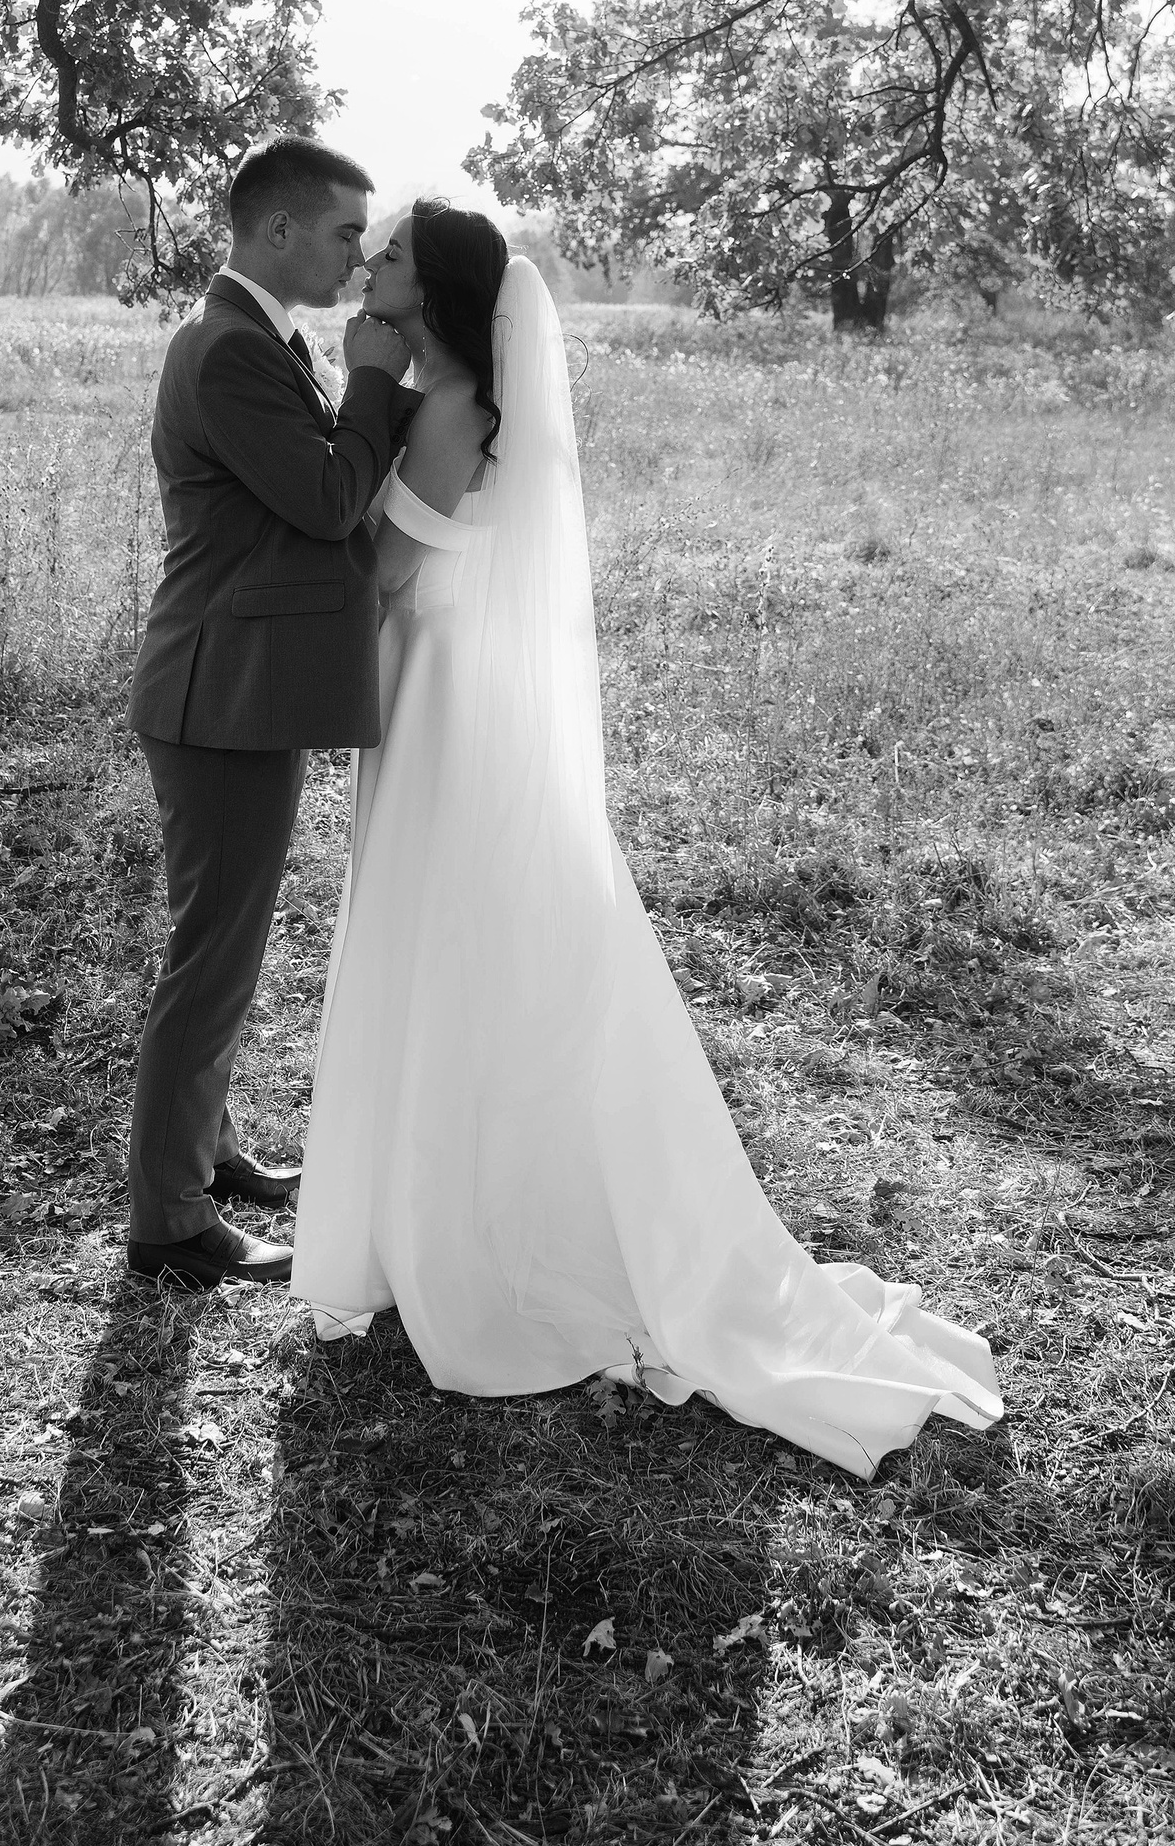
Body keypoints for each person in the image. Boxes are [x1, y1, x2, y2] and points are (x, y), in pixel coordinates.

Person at [290, 203, 1003, 1480]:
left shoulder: (446, 411)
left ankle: (473, 1231)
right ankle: (434, 1211)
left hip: (444, 706)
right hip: (445, 692)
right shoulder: (454, 401)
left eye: (390, 254)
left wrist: (360, 406)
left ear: (433, 290)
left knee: (444, 939)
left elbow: (385, 571)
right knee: (458, 939)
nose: (371, 263)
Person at [124, 137, 412, 1291]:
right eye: (346, 234)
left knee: (223, 948)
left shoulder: (261, 336)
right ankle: (168, 1222)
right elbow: (331, 496)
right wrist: (376, 380)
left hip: (236, 686)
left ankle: (206, 1152)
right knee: (212, 961)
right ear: (279, 229)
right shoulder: (232, 348)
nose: (358, 257)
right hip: (220, 695)